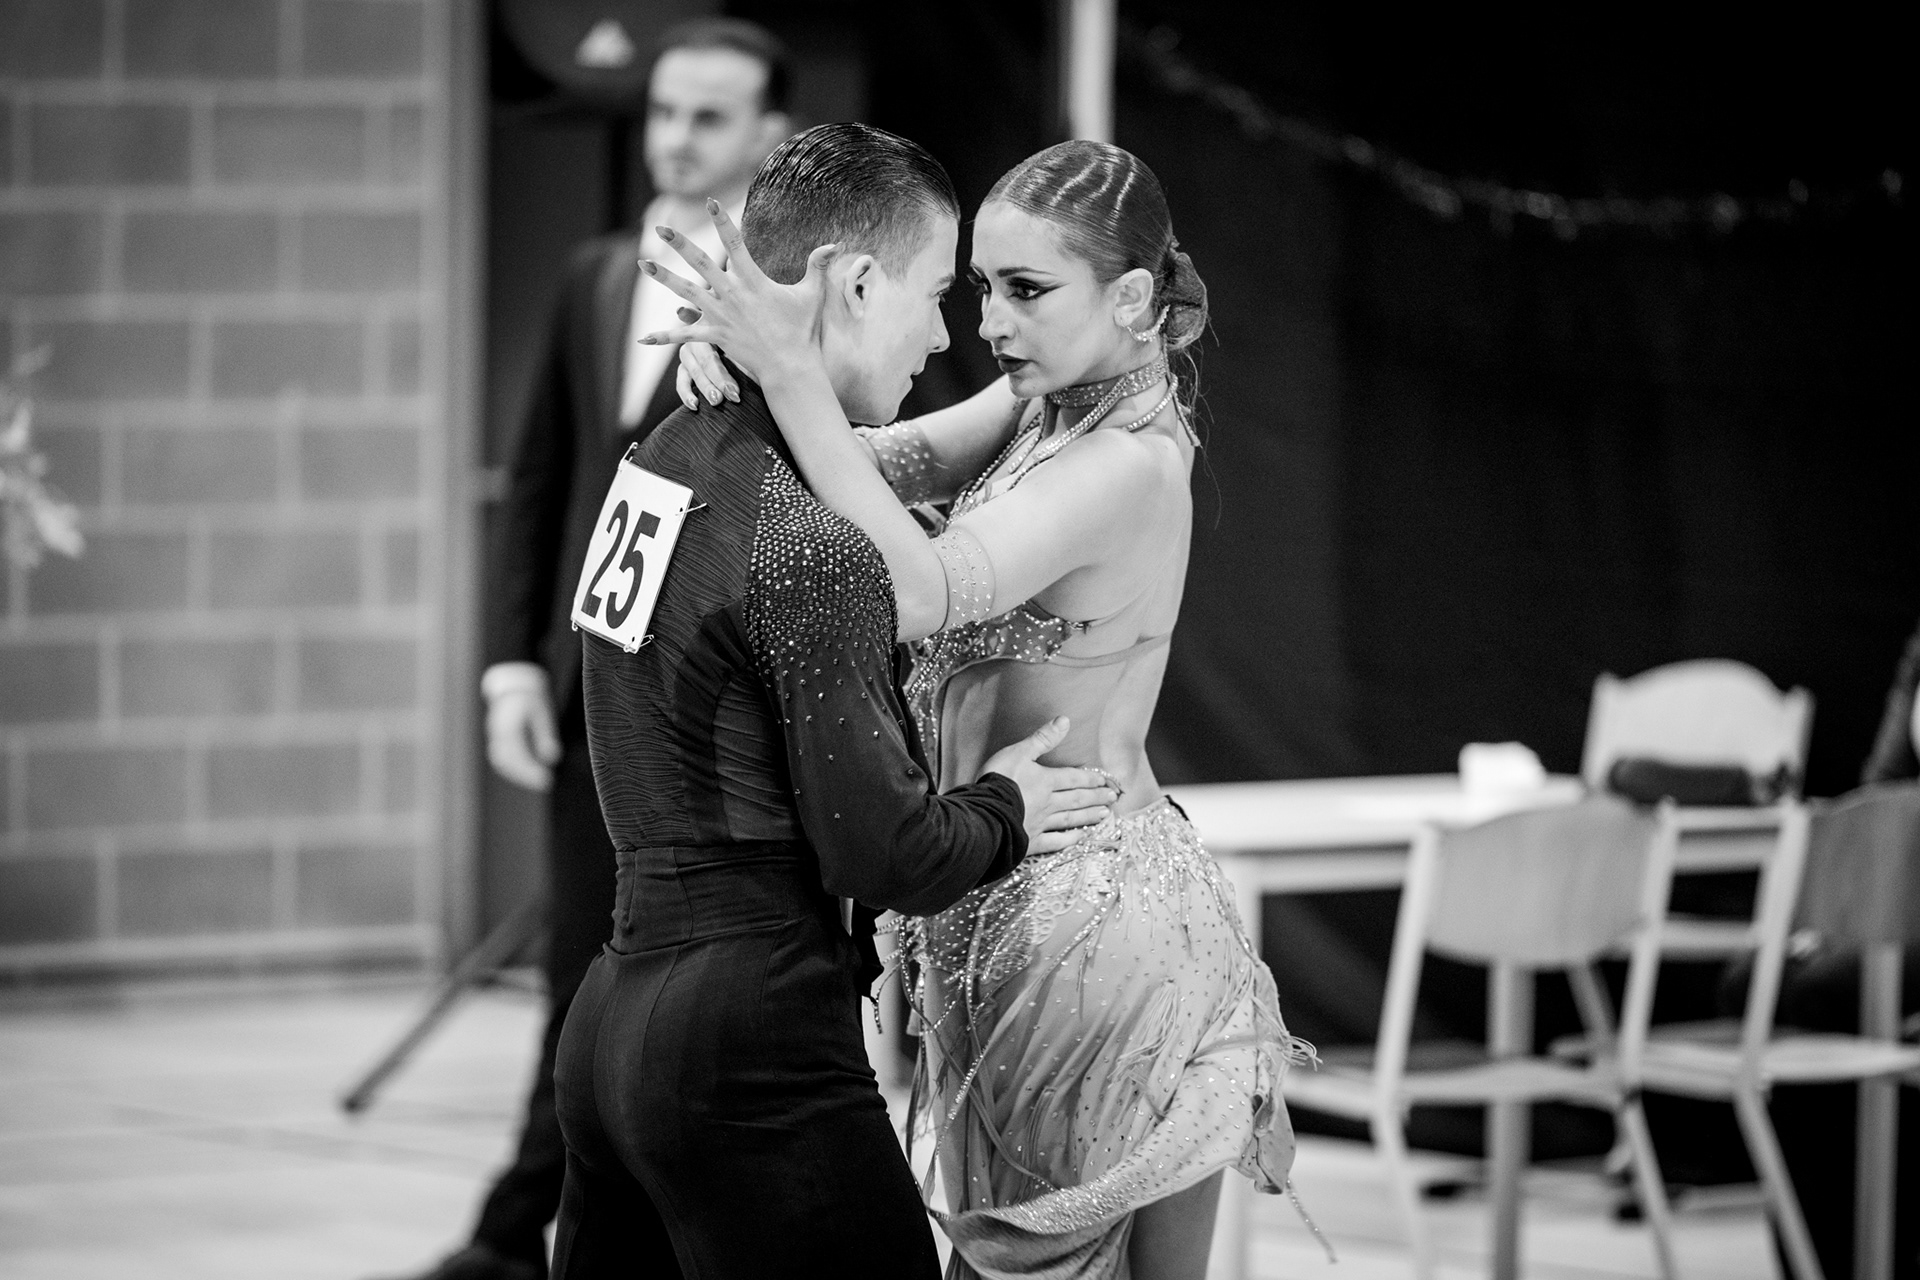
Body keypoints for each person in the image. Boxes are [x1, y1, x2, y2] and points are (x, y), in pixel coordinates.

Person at [653, 140, 1310, 1280]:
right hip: (1004, 888)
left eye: (1027, 290)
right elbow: (871, 464)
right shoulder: (1039, 402)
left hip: (1081, 916)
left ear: (1133, 298)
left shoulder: (1128, 463)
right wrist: (750, 368)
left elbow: (917, 588)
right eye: (981, 288)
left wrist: (791, 377)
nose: (991, 322)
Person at [548, 123, 1120, 1279]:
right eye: (937, 294)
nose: (947, 333)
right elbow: (886, 850)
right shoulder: (811, 547)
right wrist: (1005, 803)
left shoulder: (662, 453)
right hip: (748, 1047)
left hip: (611, 1021)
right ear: (856, 284)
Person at [393, 21, 794, 1280]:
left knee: (681, 987)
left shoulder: (790, 300)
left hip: (718, 699)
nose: (675, 137)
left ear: (771, 133)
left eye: (709, 116)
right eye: (663, 111)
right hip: (589, 686)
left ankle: (565, 1236)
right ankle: (527, 1234)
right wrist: (512, 661)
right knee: (582, 967)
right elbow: (542, 478)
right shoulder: (597, 275)